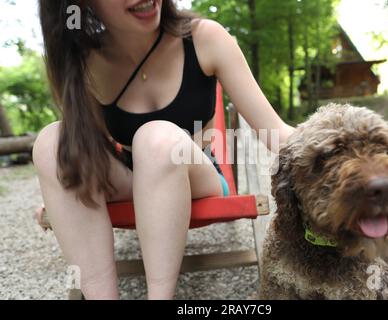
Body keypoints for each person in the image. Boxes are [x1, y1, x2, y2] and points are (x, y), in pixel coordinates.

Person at [33, 0, 295, 300]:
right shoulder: (86, 60)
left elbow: (278, 134)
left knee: (156, 140)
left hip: (199, 176)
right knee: (53, 142)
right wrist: (58, 194)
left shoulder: (203, 38)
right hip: (132, 179)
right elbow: (86, 150)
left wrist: (346, 143)